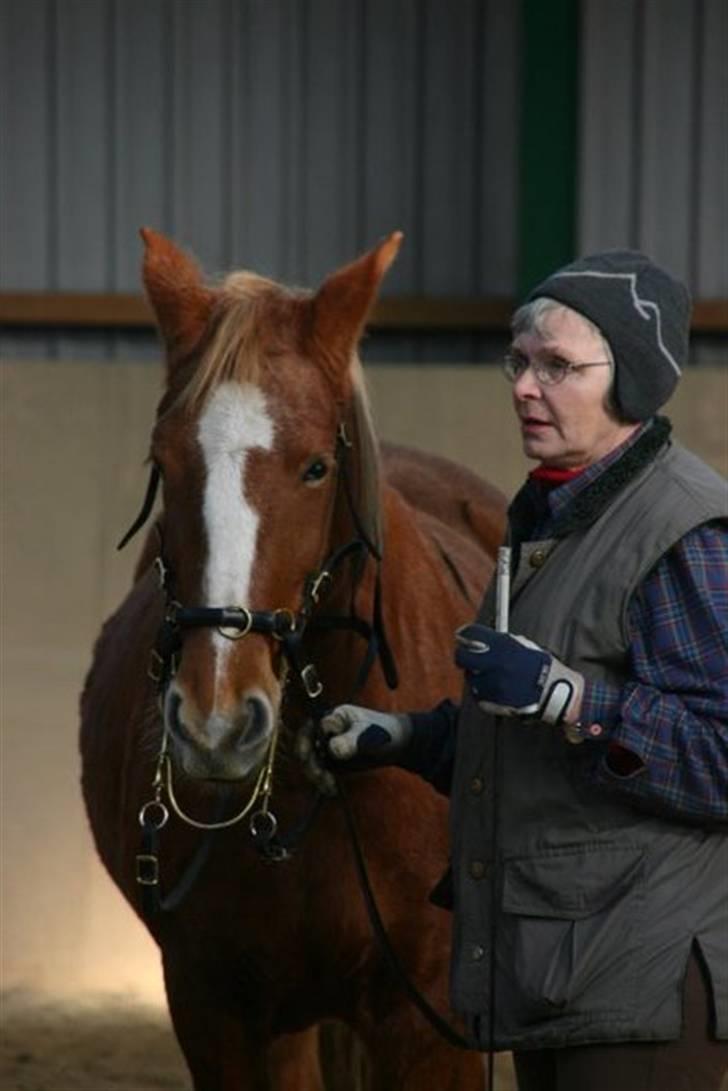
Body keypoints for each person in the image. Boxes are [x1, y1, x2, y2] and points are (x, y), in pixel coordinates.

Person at [297, 251, 728, 1091]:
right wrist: (409, 735)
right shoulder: (549, 516)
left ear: (633, 381)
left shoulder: (683, 533)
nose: (526, 386)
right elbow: (525, 736)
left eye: (559, 366)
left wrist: (568, 696)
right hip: (561, 970)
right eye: (520, 361)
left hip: (646, 984)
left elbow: (721, 757)